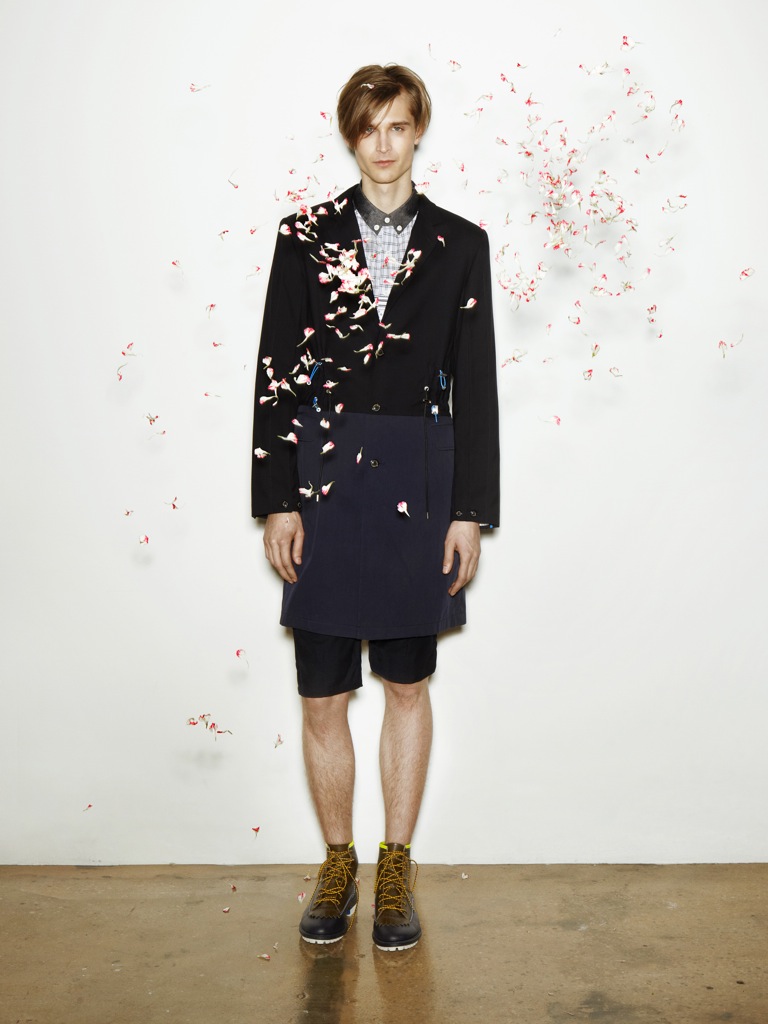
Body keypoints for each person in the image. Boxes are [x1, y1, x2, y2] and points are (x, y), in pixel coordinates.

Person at [251, 63, 500, 951]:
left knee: (406, 683)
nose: (384, 143)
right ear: (350, 135)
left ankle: (395, 867)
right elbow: (276, 371)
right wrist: (277, 500)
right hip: (322, 481)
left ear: (418, 129)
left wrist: (468, 509)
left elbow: (475, 384)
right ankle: (337, 864)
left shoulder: (461, 242)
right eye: (369, 128)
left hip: (418, 482)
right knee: (322, 694)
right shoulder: (303, 237)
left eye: (398, 125)